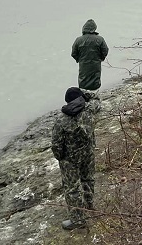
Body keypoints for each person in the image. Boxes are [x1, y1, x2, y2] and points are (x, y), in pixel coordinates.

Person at [51, 87, 100, 230]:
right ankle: (89, 206)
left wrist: (60, 157)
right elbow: (96, 97)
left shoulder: (61, 120)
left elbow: (56, 144)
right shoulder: (90, 110)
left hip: (70, 160)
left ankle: (78, 220)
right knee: (88, 179)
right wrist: (84, 94)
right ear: (81, 99)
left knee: (72, 188)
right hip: (88, 153)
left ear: (67, 102)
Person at [71, 19, 109, 91]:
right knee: (95, 79)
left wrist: (79, 59)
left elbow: (73, 53)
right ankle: (95, 95)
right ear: (94, 28)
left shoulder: (78, 40)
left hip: (83, 65)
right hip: (96, 64)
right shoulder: (100, 39)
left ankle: (84, 96)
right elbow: (105, 51)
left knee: (83, 79)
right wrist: (100, 58)